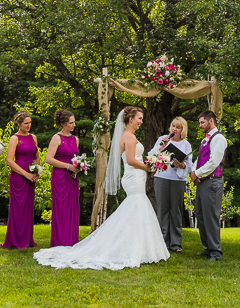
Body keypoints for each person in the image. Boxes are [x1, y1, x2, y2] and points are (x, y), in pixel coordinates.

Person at [34, 106, 169, 269]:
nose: (141, 121)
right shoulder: (129, 137)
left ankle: (138, 247)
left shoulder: (127, 136)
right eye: (139, 118)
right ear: (131, 119)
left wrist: (152, 162)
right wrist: (148, 167)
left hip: (133, 176)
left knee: (135, 209)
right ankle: (133, 248)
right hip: (134, 176)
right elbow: (132, 160)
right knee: (136, 207)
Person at [147, 116, 193, 253]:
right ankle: (162, 242)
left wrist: (182, 164)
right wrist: (161, 146)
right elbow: (151, 156)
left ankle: (176, 243)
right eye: (173, 126)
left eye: (178, 127)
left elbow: (189, 164)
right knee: (163, 210)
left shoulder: (186, 144)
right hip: (162, 177)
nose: (174, 129)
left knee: (176, 211)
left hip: (177, 180)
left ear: (182, 130)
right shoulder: (162, 139)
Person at [190, 110, 227, 261]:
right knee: (201, 215)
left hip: (212, 181)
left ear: (211, 121)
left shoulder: (218, 139)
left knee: (211, 216)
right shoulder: (206, 139)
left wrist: (197, 173)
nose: (200, 125)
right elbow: (199, 158)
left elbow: (214, 161)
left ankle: (216, 251)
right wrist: (194, 171)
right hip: (203, 181)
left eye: (202, 122)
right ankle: (208, 247)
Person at [43, 109, 80, 247]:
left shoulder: (75, 139)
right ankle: (60, 241)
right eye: (71, 123)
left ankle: (72, 240)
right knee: (61, 209)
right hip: (60, 177)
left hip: (73, 177)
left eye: (74, 122)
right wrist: (67, 166)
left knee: (72, 207)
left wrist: (78, 166)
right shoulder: (56, 138)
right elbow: (48, 159)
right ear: (63, 124)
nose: (74, 125)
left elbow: (75, 158)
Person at [3, 110, 40, 249]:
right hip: (19, 176)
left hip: (31, 174)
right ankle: (15, 240)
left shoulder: (33, 137)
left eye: (30, 123)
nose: (28, 125)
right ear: (18, 124)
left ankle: (28, 238)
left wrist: (37, 170)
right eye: (26, 123)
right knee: (18, 208)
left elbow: (36, 156)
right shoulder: (14, 138)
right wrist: (26, 174)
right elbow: (9, 161)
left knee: (28, 207)